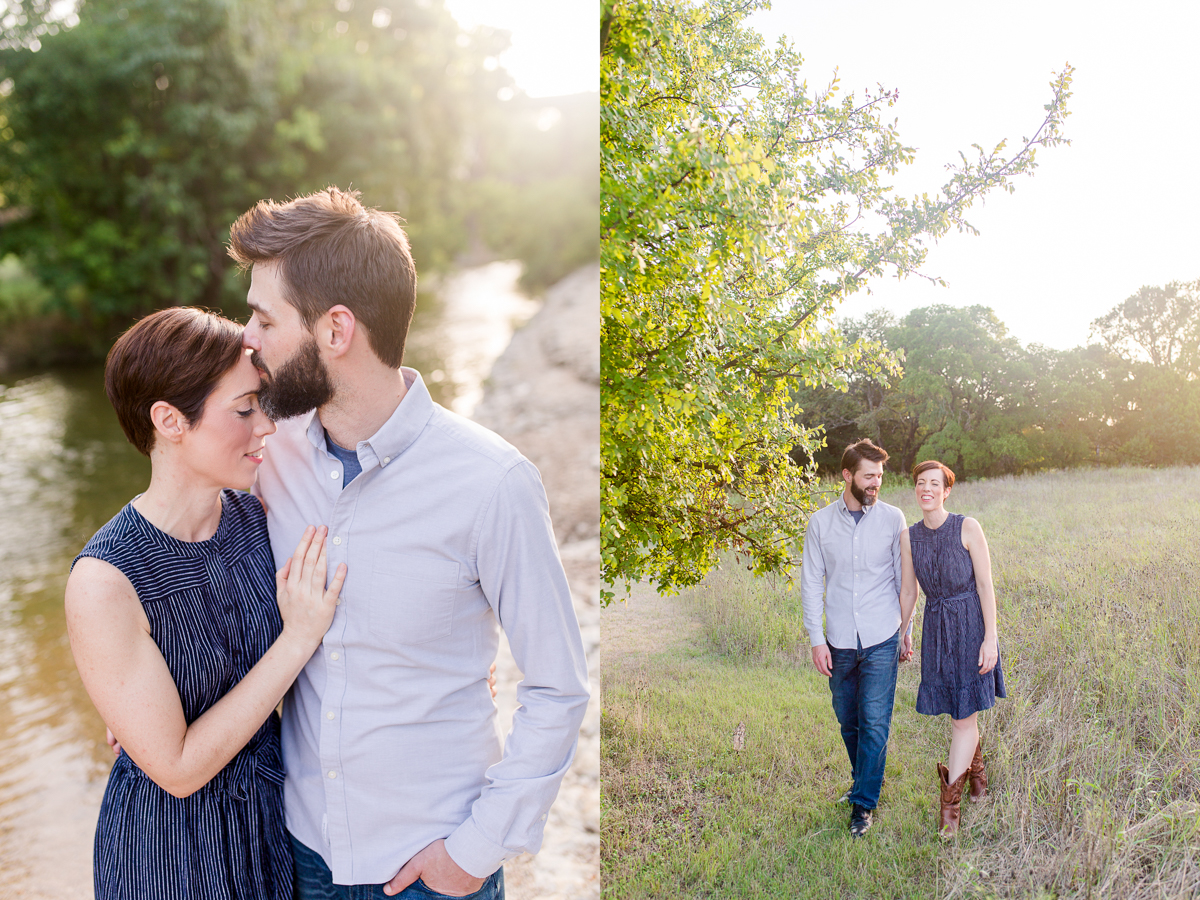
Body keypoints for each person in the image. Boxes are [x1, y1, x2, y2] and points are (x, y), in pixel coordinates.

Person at [229, 186, 590, 898]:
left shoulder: (492, 484)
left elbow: (558, 685)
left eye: (264, 318)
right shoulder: (269, 458)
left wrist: (476, 851)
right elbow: (185, 541)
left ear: (336, 330)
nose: (247, 337)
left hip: (433, 871)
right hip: (300, 857)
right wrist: (148, 703)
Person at [65, 307, 347, 899]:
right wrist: (297, 640)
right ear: (169, 420)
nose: (266, 426)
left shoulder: (258, 515)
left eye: (262, 405)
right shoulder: (105, 580)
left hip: (271, 829)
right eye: (244, 410)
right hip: (169, 854)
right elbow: (178, 768)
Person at [801, 438, 909, 838]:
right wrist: (816, 639)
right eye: (868, 476)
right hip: (839, 640)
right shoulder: (820, 523)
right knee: (849, 721)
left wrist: (905, 632)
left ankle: (864, 803)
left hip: (883, 634)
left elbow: (903, 580)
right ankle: (864, 778)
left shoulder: (893, 519)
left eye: (879, 477)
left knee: (875, 722)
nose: (874, 484)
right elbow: (812, 583)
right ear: (847, 475)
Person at [899, 459, 1005, 836]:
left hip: (971, 626)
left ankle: (949, 812)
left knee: (963, 719)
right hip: (937, 628)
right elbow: (910, 590)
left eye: (934, 484)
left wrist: (990, 638)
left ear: (946, 491)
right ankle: (978, 780)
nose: (926, 489)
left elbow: (985, 586)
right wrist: (904, 630)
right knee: (959, 712)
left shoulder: (967, 527)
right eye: (920, 483)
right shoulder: (909, 536)